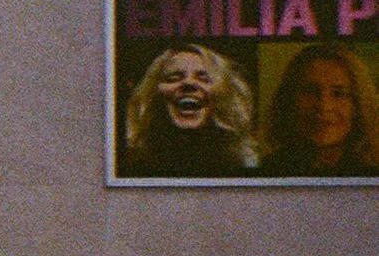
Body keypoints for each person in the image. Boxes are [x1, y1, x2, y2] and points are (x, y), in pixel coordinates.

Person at [121, 42, 256, 176]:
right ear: (153, 94)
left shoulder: (247, 163)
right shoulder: (128, 163)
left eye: (204, 78)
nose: (189, 83)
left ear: (224, 94)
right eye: (173, 78)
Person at [260, 44, 379, 175]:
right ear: (289, 99)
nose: (324, 106)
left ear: (359, 105)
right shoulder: (270, 168)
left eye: (338, 94)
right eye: (310, 91)